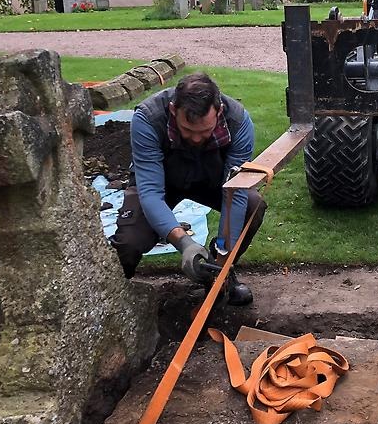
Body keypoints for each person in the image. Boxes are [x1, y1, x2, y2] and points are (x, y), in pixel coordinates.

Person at [111, 72, 264, 305]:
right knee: (129, 241)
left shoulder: (238, 122)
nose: (195, 139)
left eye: (204, 131)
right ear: (173, 110)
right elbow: (150, 192)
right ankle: (113, 295)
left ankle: (218, 276)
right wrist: (184, 243)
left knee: (253, 206)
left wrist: (224, 254)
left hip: (212, 179)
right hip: (160, 180)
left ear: (219, 112)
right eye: (187, 130)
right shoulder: (148, 118)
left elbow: (235, 192)